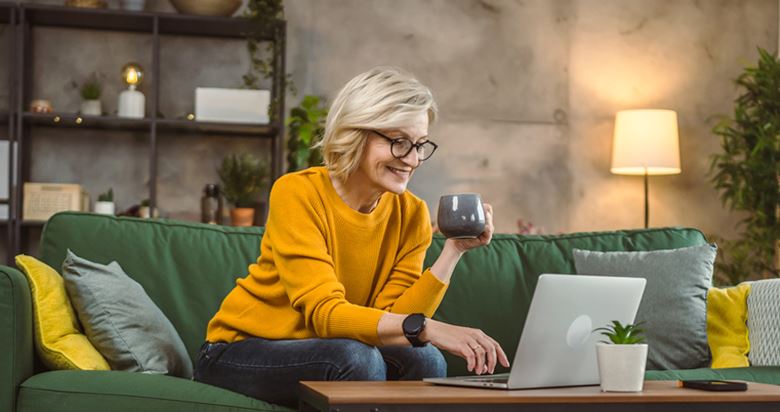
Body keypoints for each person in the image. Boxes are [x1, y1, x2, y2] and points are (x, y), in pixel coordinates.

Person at [193, 67, 509, 407]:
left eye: (420, 145)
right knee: (357, 358)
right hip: (240, 350)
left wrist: (453, 252)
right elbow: (325, 313)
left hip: (334, 348)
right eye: (400, 142)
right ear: (356, 134)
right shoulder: (297, 192)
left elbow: (394, 318)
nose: (413, 160)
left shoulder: (411, 214)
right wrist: (430, 328)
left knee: (426, 359)